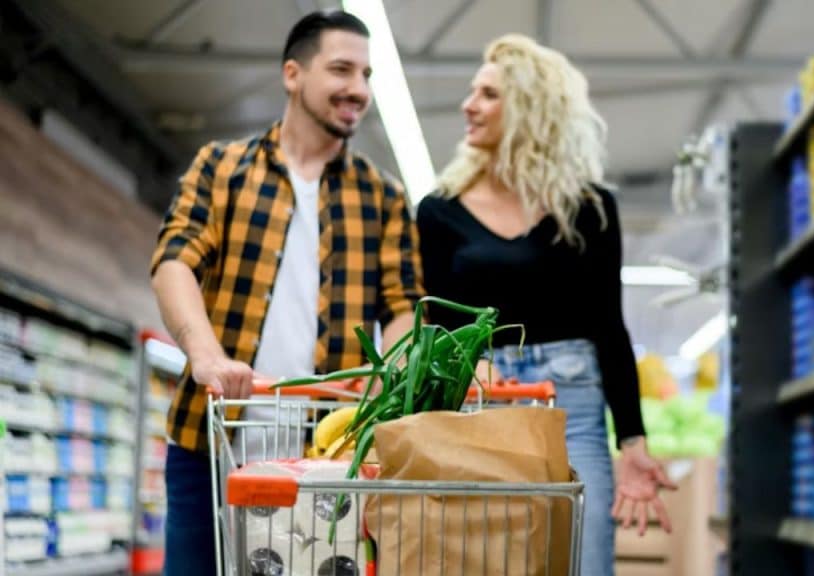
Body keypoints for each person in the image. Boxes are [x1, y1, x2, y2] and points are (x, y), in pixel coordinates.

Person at [149, 11, 423, 575]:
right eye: (342, 69)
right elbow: (175, 261)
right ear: (293, 74)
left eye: (367, 75)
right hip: (213, 438)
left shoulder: (384, 198)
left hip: (327, 454)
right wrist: (205, 354)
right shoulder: (222, 169)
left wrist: (390, 373)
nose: (358, 89)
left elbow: (402, 307)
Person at [416, 34, 677, 576]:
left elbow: (609, 326)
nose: (468, 105)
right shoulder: (439, 212)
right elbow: (437, 328)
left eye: (487, 94)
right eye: (472, 92)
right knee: (482, 564)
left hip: (572, 408)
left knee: (583, 562)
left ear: (530, 108)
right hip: (479, 404)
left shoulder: (590, 209)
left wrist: (632, 441)